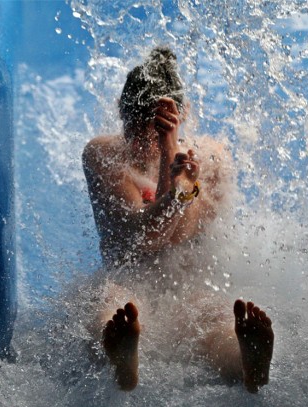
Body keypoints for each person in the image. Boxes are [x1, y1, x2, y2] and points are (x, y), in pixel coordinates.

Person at [81, 46, 274, 393]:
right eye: (133, 130)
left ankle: (248, 364)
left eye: (153, 133)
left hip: (187, 289)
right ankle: (123, 364)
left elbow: (178, 235)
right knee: (108, 306)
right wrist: (174, 182)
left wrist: (176, 168)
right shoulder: (103, 155)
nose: (142, 143)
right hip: (130, 278)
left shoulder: (212, 158)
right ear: (121, 118)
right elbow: (142, 237)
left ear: (182, 115)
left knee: (214, 320)